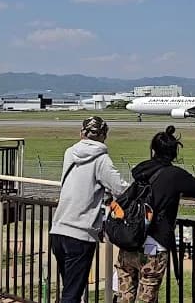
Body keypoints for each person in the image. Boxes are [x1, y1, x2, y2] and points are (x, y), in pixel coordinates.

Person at [116, 126, 195, 303]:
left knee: (124, 296)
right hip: (154, 246)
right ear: (174, 153)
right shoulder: (175, 175)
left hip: (129, 242)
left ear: (153, 150)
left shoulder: (141, 172)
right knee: (146, 297)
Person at [50, 116, 127, 303]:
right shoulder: (101, 159)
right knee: (72, 294)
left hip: (58, 229)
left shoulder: (70, 152)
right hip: (80, 233)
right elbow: (121, 188)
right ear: (104, 136)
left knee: (69, 288)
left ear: (81, 133)